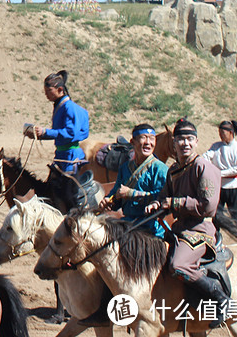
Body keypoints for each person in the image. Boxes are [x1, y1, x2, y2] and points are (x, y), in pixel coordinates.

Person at [80, 123, 169, 326]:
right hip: (128, 226)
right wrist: (108, 201)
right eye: (143, 139)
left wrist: (133, 194)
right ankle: (104, 308)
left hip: (149, 228)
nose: (148, 143)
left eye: (151, 139)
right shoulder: (125, 168)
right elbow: (116, 195)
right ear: (133, 143)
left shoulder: (160, 169)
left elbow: (162, 198)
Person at [144, 118, 227, 326]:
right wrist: (156, 204)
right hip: (179, 229)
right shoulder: (173, 170)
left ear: (197, 142)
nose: (185, 144)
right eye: (180, 140)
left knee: (178, 265)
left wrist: (174, 202)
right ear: (174, 144)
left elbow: (208, 206)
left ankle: (220, 298)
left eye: (190, 139)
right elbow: (164, 197)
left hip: (200, 230)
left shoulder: (203, 167)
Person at [23, 70, 90, 211]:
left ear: (60, 90)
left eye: (49, 90)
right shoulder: (61, 106)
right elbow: (60, 134)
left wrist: (46, 132)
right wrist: (39, 135)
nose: (46, 94)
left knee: (67, 195)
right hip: (61, 156)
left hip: (71, 157)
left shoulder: (69, 108)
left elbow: (70, 133)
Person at [202, 119, 237, 242]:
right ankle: (214, 243)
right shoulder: (216, 146)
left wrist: (217, 173)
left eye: (223, 132)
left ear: (231, 132)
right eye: (219, 132)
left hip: (233, 188)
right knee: (215, 218)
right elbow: (206, 157)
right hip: (218, 188)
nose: (220, 135)